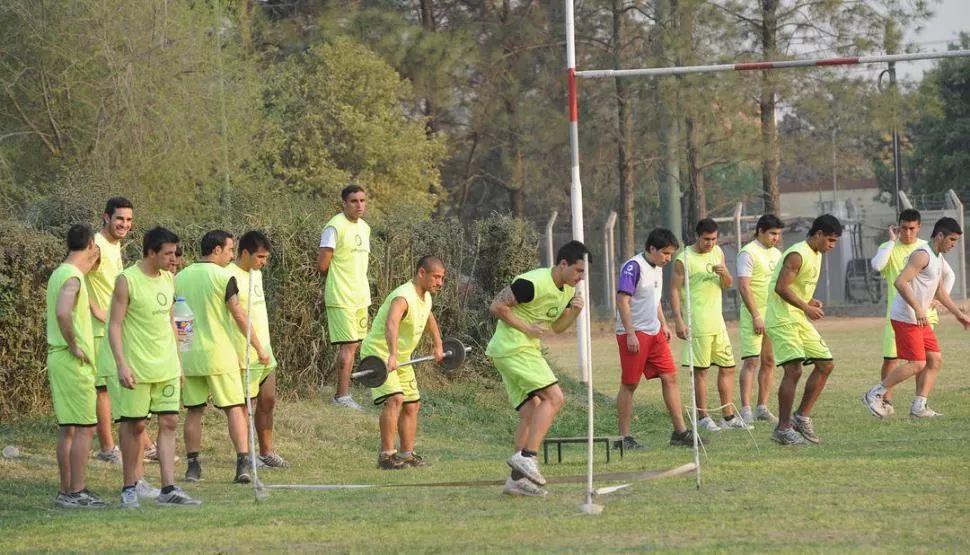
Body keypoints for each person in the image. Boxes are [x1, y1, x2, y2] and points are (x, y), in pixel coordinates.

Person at [486, 240, 588, 497]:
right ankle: (527, 457)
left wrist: (575, 312)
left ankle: (516, 481)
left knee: (532, 413)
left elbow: (557, 328)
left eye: (584, 272)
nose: (581, 277)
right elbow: (497, 305)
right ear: (563, 264)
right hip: (514, 348)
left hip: (516, 351)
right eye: (578, 270)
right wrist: (526, 328)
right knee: (555, 398)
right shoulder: (531, 283)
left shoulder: (567, 290)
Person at [108, 226, 199, 506]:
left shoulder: (169, 280)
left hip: (167, 367)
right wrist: (121, 364)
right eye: (168, 253)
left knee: (170, 421)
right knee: (134, 425)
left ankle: (168, 488)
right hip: (138, 368)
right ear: (151, 252)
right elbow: (114, 325)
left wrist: (179, 362)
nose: (174, 259)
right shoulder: (127, 280)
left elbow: (170, 320)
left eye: (175, 253)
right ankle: (129, 487)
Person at [177, 230, 268, 484]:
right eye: (229, 249)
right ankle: (243, 464)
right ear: (216, 250)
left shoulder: (179, 277)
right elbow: (239, 315)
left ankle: (193, 467)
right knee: (234, 409)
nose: (232, 254)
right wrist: (259, 348)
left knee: (194, 412)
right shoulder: (225, 276)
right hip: (219, 354)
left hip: (189, 355)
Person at [863, 217, 970, 419]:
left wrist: (959, 315)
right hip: (906, 317)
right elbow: (900, 282)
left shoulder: (937, 257)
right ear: (940, 235)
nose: (953, 245)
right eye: (952, 240)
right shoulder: (922, 255)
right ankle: (874, 393)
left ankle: (919, 406)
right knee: (917, 363)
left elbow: (939, 291)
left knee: (935, 360)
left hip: (919, 318)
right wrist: (918, 309)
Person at [614, 229, 707, 450]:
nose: (668, 258)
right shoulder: (633, 267)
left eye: (671, 254)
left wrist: (663, 324)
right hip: (634, 333)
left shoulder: (658, 268)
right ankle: (623, 438)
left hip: (654, 333)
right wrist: (630, 334)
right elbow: (622, 301)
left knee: (670, 377)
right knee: (630, 384)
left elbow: (654, 299)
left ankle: (680, 432)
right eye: (665, 253)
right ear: (652, 249)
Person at [362, 256, 446, 469]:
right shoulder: (403, 296)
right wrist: (391, 354)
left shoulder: (425, 297)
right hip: (380, 353)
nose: (439, 282)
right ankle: (386, 457)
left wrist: (438, 345)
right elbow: (391, 323)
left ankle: (407, 454)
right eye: (436, 277)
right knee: (395, 400)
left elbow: (429, 317)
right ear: (421, 273)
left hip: (402, 357)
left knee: (412, 404)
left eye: (442, 278)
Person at [765, 214, 842, 445]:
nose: (832, 246)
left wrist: (810, 300)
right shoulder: (797, 254)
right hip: (781, 318)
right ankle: (783, 428)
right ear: (818, 234)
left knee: (826, 364)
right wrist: (806, 307)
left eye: (835, 241)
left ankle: (801, 416)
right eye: (830, 240)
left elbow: (796, 287)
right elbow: (781, 287)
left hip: (797, 317)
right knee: (794, 370)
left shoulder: (816, 253)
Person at [47, 223, 108, 508]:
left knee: (69, 428)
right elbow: (62, 312)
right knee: (86, 428)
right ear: (89, 246)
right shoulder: (73, 277)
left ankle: (66, 490)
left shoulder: (61, 272)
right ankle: (77, 492)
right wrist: (74, 345)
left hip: (59, 359)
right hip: (72, 361)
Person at [670, 218, 748, 432]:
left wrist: (725, 275)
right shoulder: (683, 259)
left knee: (728, 367)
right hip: (697, 322)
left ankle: (728, 416)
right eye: (706, 239)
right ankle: (703, 417)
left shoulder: (718, 253)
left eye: (714, 239)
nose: (710, 243)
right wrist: (678, 320)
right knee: (701, 371)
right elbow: (675, 291)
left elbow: (728, 285)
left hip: (718, 322)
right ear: (697, 236)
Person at [229, 231, 288, 468]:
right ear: (245, 253)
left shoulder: (257, 275)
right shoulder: (229, 276)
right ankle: (247, 455)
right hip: (244, 353)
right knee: (246, 407)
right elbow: (237, 316)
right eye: (260, 257)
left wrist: (264, 348)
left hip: (266, 351)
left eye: (266, 257)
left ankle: (266, 452)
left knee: (268, 400)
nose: (264, 262)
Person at [86, 196, 133, 465]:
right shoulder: (96, 246)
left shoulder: (115, 246)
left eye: (128, 220)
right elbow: (74, 276)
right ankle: (107, 448)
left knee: (118, 385)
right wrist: (94, 308)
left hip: (113, 328)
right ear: (106, 217)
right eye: (119, 219)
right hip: (97, 329)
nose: (124, 224)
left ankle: (141, 444)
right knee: (103, 388)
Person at [317, 184, 371, 411]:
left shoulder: (366, 227)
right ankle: (341, 396)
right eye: (353, 201)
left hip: (360, 295)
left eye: (362, 200)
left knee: (355, 344)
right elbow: (322, 265)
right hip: (341, 295)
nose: (359, 205)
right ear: (344, 203)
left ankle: (343, 392)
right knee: (348, 346)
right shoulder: (334, 227)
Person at [736, 214, 785, 425]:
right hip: (753, 314)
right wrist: (756, 315)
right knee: (751, 361)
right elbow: (744, 286)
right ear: (760, 231)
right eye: (773, 233)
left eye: (778, 234)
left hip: (772, 314)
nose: (776, 238)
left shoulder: (778, 254)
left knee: (769, 361)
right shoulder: (747, 253)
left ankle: (762, 407)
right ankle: (745, 408)